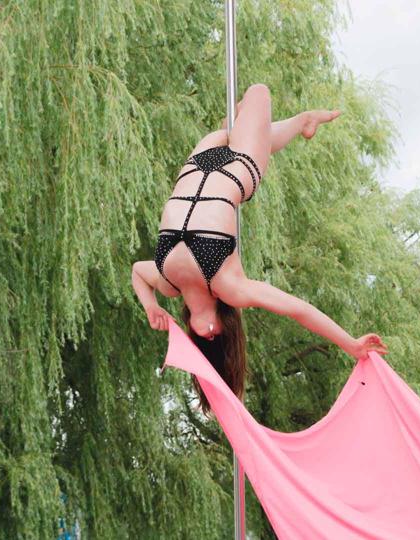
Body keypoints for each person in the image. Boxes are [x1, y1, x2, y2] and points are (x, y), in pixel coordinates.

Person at [131, 83, 388, 412]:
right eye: (217, 336)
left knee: (233, 129)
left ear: (193, 335)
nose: (209, 332)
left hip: (198, 163)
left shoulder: (167, 283)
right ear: (227, 329)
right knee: (258, 93)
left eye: (204, 338)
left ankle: (300, 121)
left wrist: (150, 306)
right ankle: (298, 121)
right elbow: (297, 309)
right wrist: (350, 344)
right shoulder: (230, 286)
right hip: (239, 169)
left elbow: (137, 272)